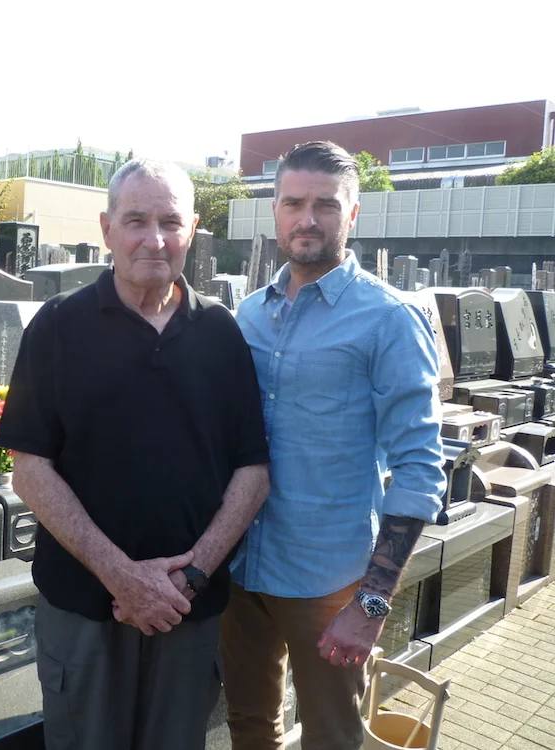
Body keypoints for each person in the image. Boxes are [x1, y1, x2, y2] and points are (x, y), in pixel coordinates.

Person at [0, 158, 271, 750]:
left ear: (192, 229)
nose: (155, 238)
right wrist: (122, 577)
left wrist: (190, 576)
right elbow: (30, 471)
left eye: (170, 221)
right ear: (107, 228)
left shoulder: (221, 334)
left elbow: (253, 471)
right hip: (86, 611)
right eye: (136, 220)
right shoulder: (57, 328)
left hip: (188, 611)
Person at [221, 141, 446, 749]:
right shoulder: (248, 317)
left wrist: (370, 606)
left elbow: (422, 471)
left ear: (353, 214)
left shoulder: (389, 319)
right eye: (293, 203)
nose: (307, 219)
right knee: (248, 724)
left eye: (326, 204)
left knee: (332, 736)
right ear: (275, 210)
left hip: (327, 583)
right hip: (241, 569)